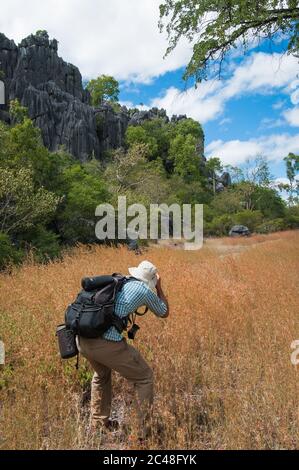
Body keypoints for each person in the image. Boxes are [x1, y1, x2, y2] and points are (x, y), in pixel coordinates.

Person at [77, 260, 169, 438]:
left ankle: (97, 424)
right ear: (151, 280)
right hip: (105, 343)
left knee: (101, 375)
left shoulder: (118, 281)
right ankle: (141, 433)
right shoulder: (143, 290)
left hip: (82, 338)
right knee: (145, 378)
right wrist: (159, 287)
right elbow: (163, 311)